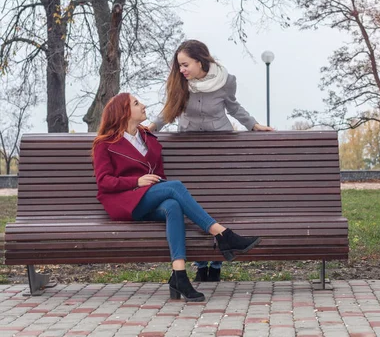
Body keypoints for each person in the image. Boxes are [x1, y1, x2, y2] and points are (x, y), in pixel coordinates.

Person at [92, 92, 262, 302]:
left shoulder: (147, 138)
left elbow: (159, 176)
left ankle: (179, 276)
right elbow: (104, 181)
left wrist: (150, 185)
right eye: (137, 103)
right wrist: (136, 182)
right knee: (174, 187)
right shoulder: (105, 143)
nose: (143, 105)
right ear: (124, 112)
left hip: (148, 199)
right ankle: (222, 234)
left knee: (172, 205)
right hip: (125, 202)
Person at [148, 40, 273, 282]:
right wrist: (151, 127)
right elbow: (169, 109)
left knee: (220, 198)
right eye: (179, 65)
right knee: (195, 200)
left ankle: (216, 262)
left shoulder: (226, 80)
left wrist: (254, 125)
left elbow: (234, 108)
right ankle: (200, 261)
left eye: (185, 64)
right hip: (189, 146)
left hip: (220, 146)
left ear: (200, 60)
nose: (181, 69)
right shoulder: (180, 82)